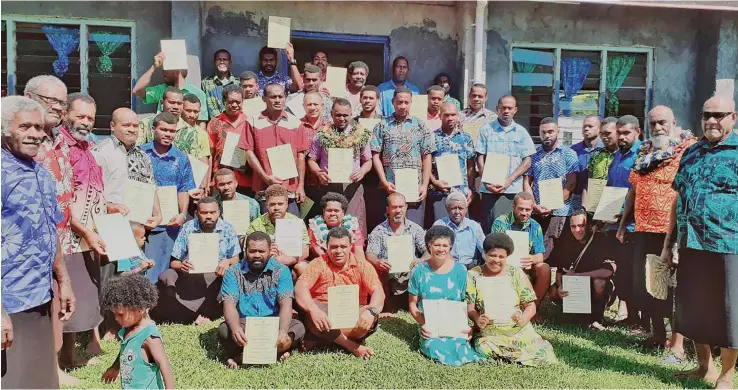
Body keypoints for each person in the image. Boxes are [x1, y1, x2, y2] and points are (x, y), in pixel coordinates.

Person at [661, 95, 738, 388]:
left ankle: (727, 375)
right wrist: (669, 243)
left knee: (730, 311)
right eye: (707, 115)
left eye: (719, 115)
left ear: (734, 117)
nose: (712, 121)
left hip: (729, 245)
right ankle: (704, 367)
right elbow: (678, 199)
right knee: (694, 307)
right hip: (691, 243)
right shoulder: (691, 153)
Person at [1, 95, 75, 388]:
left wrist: (63, 279)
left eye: (40, 127)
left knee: (40, 380)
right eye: (26, 127)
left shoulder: (40, 173)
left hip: (40, 297)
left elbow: (50, 229)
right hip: (9, 303)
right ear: (5, 129)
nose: (36, 134)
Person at [617, 106, 694, 362]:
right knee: (647, 285)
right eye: (653, 123)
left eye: (662, 122)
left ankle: (678, 344)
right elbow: (633, 189)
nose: (658, 127)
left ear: (674, 121)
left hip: (671, 230)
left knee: (673, 287)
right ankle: (657, 335)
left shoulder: (687, 148)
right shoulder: (645, 150)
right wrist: (622, 224)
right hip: (643, 229)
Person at [58, 93, 112, 369]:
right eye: (80, 116)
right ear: (66, 114)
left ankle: (77, 352)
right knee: (69, 295)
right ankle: (63, 358)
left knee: (88, 292)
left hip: (90, 236)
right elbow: (63, 202)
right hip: (69, 239)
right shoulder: (59, 149)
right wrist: (87, 232)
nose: (86, 122)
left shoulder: (88, 148)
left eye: (90, 118)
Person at [466, 232, 557, 367]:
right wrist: (478, 319)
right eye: (492, 255)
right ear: (484, 253)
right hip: (490, 331)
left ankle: (510, 354)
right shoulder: (473, 274)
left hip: (516, 328)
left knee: (544, 354)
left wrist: (523, 319)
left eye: (501, 257)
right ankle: (515, 355)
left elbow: (530, 306)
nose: (496, 260)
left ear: (507, 257)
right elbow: (470, 309)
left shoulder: (516, 273)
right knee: (484, 350)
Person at [218, 232, 306, 368]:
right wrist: (235, 328)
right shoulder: (233, 272)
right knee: (225, 329)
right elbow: (229, 304)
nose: (257, 255)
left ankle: (243, 356)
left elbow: (286, 304)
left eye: (262, 251)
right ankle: (275, 352)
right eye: (252, 251)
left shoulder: (281, 271)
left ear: (270, 251)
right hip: (245, 325)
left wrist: (282, 331)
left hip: (273, 326)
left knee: (298, 327)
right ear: (245, 251)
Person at [295, 227, 385, 359]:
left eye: (343, 246)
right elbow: (300, 287)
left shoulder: (363, 265)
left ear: (350, 247)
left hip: (353, 314)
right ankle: (352, 346)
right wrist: (314, 310)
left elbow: (378, 291)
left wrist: (370, 312)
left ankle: (323, 338)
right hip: (324, 315)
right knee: (312, 308)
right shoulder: (318, 263)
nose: (339, 251)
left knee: (370, 314)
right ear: (327, 247)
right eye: (334, 247)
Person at [154, 197, 240, 325]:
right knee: (168, 275)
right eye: (204, 213)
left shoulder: (228, 228)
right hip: (191, 279)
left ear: (219, 212)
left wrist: (227, 262)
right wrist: (182, 265)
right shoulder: (188, 228)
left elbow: (236, 259)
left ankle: (207, 311)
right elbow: (174, 262)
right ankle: (191, 312)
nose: (209, 216)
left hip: (218, 278)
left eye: (212, 212)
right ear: (196, 213)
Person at [408, 226, 482, 366]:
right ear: (429, 246)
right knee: (434, 348)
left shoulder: (460, 270)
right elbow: (412, 304)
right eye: (436, 245)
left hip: (454, 323)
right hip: (430, 324)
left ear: (450, 247)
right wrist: (423, 324)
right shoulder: (419, 270)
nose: (441, 249)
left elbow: (464, 302)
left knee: (462, 349)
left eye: (445, 245)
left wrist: (466, 326)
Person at [141, 112, 198, 284]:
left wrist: (183, 213)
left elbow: (183, 188)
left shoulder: (181, 158)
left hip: (170, 225)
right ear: (153, 129)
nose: (168, 134)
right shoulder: (141, 153)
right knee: (145, 270)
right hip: (144, 223)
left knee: (165, 272)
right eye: (163, 129)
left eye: (172, 131)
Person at [370, 86, 435, 226]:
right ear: (393, 102)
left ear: (411, 102)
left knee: (414, 228)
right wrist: (384, 181)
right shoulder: (382, 126)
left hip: (415, 189)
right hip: (391, 188)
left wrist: (424, 184)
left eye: (406, 102)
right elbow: (375, 156)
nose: (403, 106)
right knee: (391, 228)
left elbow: (427, 156)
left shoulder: (420, 126)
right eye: (399, 102)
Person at [241, 83, 307, 216]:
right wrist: (265, 177)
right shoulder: (252, 121)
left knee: (291, 230)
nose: (277, 100)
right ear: (264, 98)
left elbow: (301, 156)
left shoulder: (296, 123)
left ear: (285, 98)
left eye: (280, 96)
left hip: (290, 190)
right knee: (265, 232)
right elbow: (248, 153)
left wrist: (301, 186)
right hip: (263, 189)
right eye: (273, 97)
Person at [100, 273, 175, 389]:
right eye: (114, 314)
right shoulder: (128, 329)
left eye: (120, 314)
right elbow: (127, 351)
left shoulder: (149, 337)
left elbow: (164, 365)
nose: (116, 318)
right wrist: (115, 367)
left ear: (140, 308)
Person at [93, 108, 162, 230]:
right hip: (110, 224)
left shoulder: (143, 155)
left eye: (135, 126)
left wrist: (158, 214)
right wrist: (109, 206)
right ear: (112, 126)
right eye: (126, 125)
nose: (132, 129)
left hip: (139, 227)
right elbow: (92, 192)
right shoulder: (100, 152)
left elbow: (151, 186)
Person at [307, 98, 373, 227]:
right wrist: (319, 173)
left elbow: (368, 161)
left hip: (352, 186)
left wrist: (362, 172)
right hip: (328, 185)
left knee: (354, 223)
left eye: (345, 115)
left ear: (351, 114)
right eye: (338, 115)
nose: (341, 118)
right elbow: (312, 160)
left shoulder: (361, 134)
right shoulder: (321, 134)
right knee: (330, 222)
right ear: (331, 114)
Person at [476, 95, 536, 233]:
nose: (506, 111)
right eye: (503, 108)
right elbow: (480, 157)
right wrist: (486, 181)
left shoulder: (521, 132)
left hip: (512, 190)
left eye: (510, 108)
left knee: (510, 229)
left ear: (515, 110)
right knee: (490, 229)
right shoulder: (486, 130)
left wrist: (509, 180)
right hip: (489, 189)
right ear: (497, 109)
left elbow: (527, 161)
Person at [547, 209, 615, 329]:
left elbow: (609, 270)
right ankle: (571, 313)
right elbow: (560, 270)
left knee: (599, 283)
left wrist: (580, 275)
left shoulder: (600, 240)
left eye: (581, 226)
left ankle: (596, 317)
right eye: (573, 226)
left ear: (588, 225)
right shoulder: (566, 241)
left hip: (593, 285)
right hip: (574, 286)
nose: (577, 230)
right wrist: (560, 286)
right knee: (553, 291)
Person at [603, 115, 642, 325]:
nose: (622, 137)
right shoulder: (618, 156)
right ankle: (631, 317)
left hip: (634, 225)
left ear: (638, 132)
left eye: (626, 132)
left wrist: (627, 217)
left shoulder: (644, 155)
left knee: (635, 273)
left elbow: (641, 193)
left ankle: (643, 320)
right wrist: (603, 215)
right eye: (619, 133)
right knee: (622, 272)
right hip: (613, 224)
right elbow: (611, 188)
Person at [523, 117, 578, 259]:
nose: (547, 135)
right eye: (543, 132)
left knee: (553, 250)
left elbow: (571, 184)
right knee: (535, 246)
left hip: (559, 211)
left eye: (550, 131)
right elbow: (527, 182)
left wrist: (552, 206)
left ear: (558, 132)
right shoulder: (533, 155)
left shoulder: (568, 154)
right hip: (537, 211)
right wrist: (533, 205)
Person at [366, 193, 428, 313]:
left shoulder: (415, 229)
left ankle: (416, 309)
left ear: (406, 207)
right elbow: (370, 254)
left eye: (401, 207)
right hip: (388, 276)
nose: (398, 210)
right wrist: (377, 261)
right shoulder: (378, 231)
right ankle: (387, 310)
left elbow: (428, 251)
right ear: (387, 209)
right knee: (378, 275)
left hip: (411, 274)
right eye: (394, 207)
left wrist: (421, 260)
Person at [491, 192, 550, 307]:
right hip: (504, 265)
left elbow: (540, 255)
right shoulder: (500, 223)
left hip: (526, 266)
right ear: (514, 207)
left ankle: (532, 308)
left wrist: (531, 259)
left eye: (527, 210)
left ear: (532, 209)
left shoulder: (535, 226)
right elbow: (495, 251)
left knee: (545, 269)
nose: (524, 213)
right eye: (521, 209)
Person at [246, 184, 310, 276]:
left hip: (292, 261)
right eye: (272, 204)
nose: (276, 208)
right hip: (264, 263)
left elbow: (305, 250)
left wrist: (290, 260)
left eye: (280, 204)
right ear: (266, 205)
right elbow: (248, 252)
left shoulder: (296, 222)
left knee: (302, 267)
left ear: (287, 204)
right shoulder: (256, 225)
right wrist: (268, 257)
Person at [428, 101, 475, 222]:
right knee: (441, 229)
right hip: (440, 193)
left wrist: (470, 189)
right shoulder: (431, 137)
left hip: (461, 193)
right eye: (446, 115)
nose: (450, 118)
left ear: (458, 116)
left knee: (461, 229)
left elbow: (470, 165)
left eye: (453, 115)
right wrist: (434, 181)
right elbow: (425, 164)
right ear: (440, 115)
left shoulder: (466, 138)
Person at [132, 51, 208, 122]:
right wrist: (153, 67)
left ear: (177, 70)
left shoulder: (198, 93)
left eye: (166, 69)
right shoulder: (161, 90)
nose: (163, 73)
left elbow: (201, 122)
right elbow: (136, 90)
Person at [207, 84, 252, 195]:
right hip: (221, 180)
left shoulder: (250, 121)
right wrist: (207, 181)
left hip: (245, 180)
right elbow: (210, 155)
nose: (235, 105)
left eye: (238, 102)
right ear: (224, 102)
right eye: (231, 102)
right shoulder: (214, 123)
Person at [432, 191, 485, 269]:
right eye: (453, 208)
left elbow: (484, 249)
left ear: (466, 209)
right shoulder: (439, 225)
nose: (457, 212)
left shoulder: (474, 226)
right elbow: (433, 250)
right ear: (447, 209)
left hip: (471, 267)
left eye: (460, 208)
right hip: (446, 267)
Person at [308, 192, 367, 261]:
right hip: (323, 263)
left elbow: (359, 252)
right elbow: (319, 252)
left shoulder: (352, 226)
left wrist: (360, 268)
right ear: (323, 211)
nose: (332, 214)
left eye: (336, 211)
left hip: (348, 263)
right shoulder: (315, 226)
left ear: (343, 212)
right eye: (329, 210)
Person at [582, 117, 619, 208]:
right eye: (601, 134)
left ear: (618, 133)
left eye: (608, 133)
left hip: (615, 209)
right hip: (593, 208)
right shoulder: (596, 155)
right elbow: (588, 185)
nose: (604, 137)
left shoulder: (625, 156)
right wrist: (583, 209)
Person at [570, 115, 603, 206]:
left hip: (599, 198)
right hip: (577, 197)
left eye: (590, 126)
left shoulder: (606, 150)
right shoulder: (573, 150)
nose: (586, 129)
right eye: (584, 126)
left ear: (600, 129)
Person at [202, 49, 239, 119]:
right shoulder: (205, 83)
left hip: (234, 125)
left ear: (230, 63)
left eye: (225, 59)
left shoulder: (238, 83)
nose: (222, 62)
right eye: (219, 59)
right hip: (214, 126)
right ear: (214, 62)